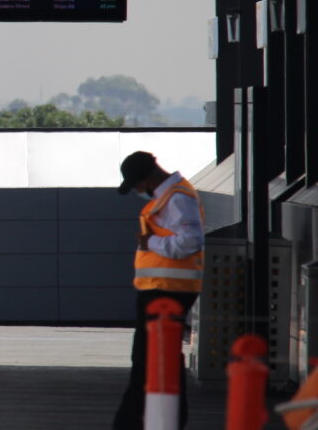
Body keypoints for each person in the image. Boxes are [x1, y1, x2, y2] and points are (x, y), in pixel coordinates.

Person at [112, 151, 205, 430]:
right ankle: (165, 420)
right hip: (161, 290)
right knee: (159, 360)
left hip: (167, 292)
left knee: (147, 361)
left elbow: (191, 241)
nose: (138, 191)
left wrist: (150, 243)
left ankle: (132, 423)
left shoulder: (177, 198)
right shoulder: (169, 197)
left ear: (149, 177)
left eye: (137, 184)